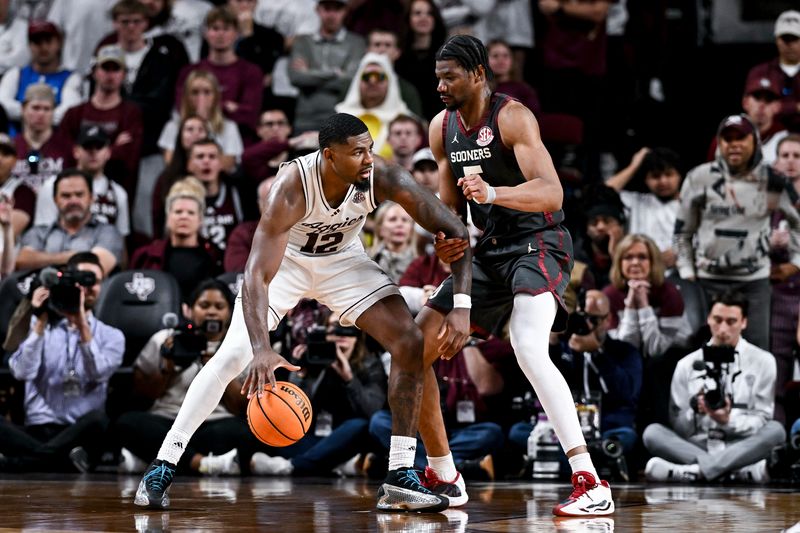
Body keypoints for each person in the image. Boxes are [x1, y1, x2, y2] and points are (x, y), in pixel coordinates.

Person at [133, 112, 473, 513]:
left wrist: (460, 297)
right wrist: (262, 348)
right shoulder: (292, 187)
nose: (368, 159)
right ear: (329, 156)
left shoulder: (382, 176)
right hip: (286, 265)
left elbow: (456, 228)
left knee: (410, 340)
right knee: (231, 356)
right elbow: (256, 274)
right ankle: (163, 464)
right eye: (358, 152)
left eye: (369, 149)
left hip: (344, 261)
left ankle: (400, 474)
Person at [415, 35, 613, 516]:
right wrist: (447, 238)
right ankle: (444, 474)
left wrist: (493, 195)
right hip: (489, 249)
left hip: (538, 241)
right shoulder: (441, 127)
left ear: (479, 74)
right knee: (412, 345)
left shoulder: (512, 116)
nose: (441, 86)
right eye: (437, 76)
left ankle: (590, 481)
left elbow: (552, 194)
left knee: (527, 344)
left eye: (451, 76)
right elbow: (450, 212)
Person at [674, 114, 800, 351]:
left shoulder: (773, 180)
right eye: (727, 138)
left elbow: (798, 222)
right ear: (720, 143)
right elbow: (683, 230)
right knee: (705, 355)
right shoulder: (699, 177)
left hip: (754, 282)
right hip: (707, 281)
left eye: (741, 138)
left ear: (754, 142)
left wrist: (796, 262)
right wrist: (687, 270)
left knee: (755, 355)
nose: (734, 144)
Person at [643, 291, 787, 484]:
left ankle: (695, 472)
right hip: (699, 444)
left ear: (743, 322)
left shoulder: (763, 361)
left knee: (776, 430)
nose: (723, 329)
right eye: (717, 320)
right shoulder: (687, 364)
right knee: (652, 433)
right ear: (708, 319)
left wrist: (728, 420)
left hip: (741, 444)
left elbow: (762, 419)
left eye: (731, 321)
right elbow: (678, 427)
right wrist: (696, 411)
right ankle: (736, 472)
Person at [1, 252, 124, 472]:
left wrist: (81, 323)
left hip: (81, 432)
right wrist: (39, 321)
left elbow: (98, 373)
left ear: (102, 285)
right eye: (79, 281)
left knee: (99, 421)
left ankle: (22, 463)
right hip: (38, 428)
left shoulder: (112, 335)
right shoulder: (38, 326)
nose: (84, 289)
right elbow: (21, 373)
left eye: (92, 281)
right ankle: (63, 462)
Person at [115, 279, 251, 475]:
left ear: (230, 312)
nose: (211, 312)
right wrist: (167, 367)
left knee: (245, 433)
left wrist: (216, 367)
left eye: (219, 306)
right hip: (167, 421)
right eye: (204, 305)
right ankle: (203, 463)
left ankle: (154, 460)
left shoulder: (237, 347)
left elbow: (238, 408)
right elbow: (141, 395)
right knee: (127, 423)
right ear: (188, 310)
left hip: (213, 424)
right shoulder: (166, 339)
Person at [250, 312, 388, 477]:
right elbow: (292, 412)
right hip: (315, 438)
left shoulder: (371, 363)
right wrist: (301, 373)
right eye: (334, 327)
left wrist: (349, 379)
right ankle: (336, 465)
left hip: (348, 438)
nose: (341, 332)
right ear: (325, 332)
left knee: (359, 425)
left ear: (357, 335)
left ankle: (293, 466)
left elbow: (372, 412)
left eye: (347, 327)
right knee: (276, 432)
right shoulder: (313, 357)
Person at [58, 45, 144, 193]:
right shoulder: (74, 114)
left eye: (115, 69)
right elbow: (65, 153)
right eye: (105, 68)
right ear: (94, 72)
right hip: (75, 191)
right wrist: (113, 148)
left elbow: (128, 158)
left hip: (116, 193)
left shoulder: (131, 114)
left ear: (124, 74)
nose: (110, 75)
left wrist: (85, 153)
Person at [175, 6, 263, 140]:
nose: (220, 34)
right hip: (196, 141)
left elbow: (249, 117)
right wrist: (228, 107)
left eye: (226, 29)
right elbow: (184, 111)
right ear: (205, 33)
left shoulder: (251, 72)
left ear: (237, 33)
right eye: (215, 28)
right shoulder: (189, 72)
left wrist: (207, 106)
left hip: (240, 142)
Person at [15, 169, 125, 275]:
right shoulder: (39, 232)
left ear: (91, 198)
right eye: (66, 196)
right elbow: (22, 261)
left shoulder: (108, 232)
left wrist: (44, 259)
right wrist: (77, 256)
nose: (73, 201)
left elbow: (96, 268)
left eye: (79, 194)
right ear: (55, 200)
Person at [131, 177, 222, 300]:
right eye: (178, 212)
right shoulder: (145, 256)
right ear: (168, 217)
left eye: (191, 213)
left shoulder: (215, 256)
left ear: (200, 220)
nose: (184, 217)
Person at [34, 126, 131, 240]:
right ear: (76, 151)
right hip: (61, 253)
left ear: (108, 152)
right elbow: (42, 235)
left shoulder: (118, 193)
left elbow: (120, 240)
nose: (93, 152)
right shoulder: (52, 186)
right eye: (87, 147)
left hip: (104, 254)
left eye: (99, 147)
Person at [603, 234, 690, 358]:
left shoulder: (670, 293)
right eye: (628, 257)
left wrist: (644, 306)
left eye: (642, 257)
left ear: (653, 262)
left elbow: (655, 350)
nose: (635, 263)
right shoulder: (609, 295)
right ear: (619, 263)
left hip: (672, 359)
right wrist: (631, 308)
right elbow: (624, 350)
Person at [288, 0, 366, 133]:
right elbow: (296, 77)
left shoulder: (357, 43)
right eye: (327, 8)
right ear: (318, 9)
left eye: (337, 9)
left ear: (345, 11)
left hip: (343, 117)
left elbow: (350, 81)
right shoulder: (302, 42)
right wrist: (335, 73)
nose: (331, 14)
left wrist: (309, 73)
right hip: (305, 119)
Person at [606, 148, 682, 269]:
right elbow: (602, 192)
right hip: (637, 272)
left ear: (679, 175)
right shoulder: (637, 201)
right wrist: (634, 166)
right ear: (646, 180)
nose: (663, 181)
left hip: (679, 275)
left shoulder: (692, 205)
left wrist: (679, 252)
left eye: (669, 174)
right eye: (655, 176)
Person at [0, 21, 82, 130]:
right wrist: (40, 114)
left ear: (59, 43)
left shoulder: (71, 78)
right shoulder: (15, 74)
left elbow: (71, 111)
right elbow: (2, 105)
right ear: (29, 45)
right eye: (37, 42)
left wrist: (29, 113)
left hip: (54, 142)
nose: (43, 47)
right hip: (16, 141)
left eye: (48, 41)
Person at [743, 10, 800, 132]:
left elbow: (770, 110)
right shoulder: (760, 72)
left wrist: (778, 108)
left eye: (794, 39)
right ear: (776, 39)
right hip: (768, 137)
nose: (789, 44)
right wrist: (796, 107)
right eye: (785, 39)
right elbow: (754, 110)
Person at [0, 133, 35, 238]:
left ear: (15, 161)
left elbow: (6, 235)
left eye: (6, 154)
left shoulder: (23, 192)